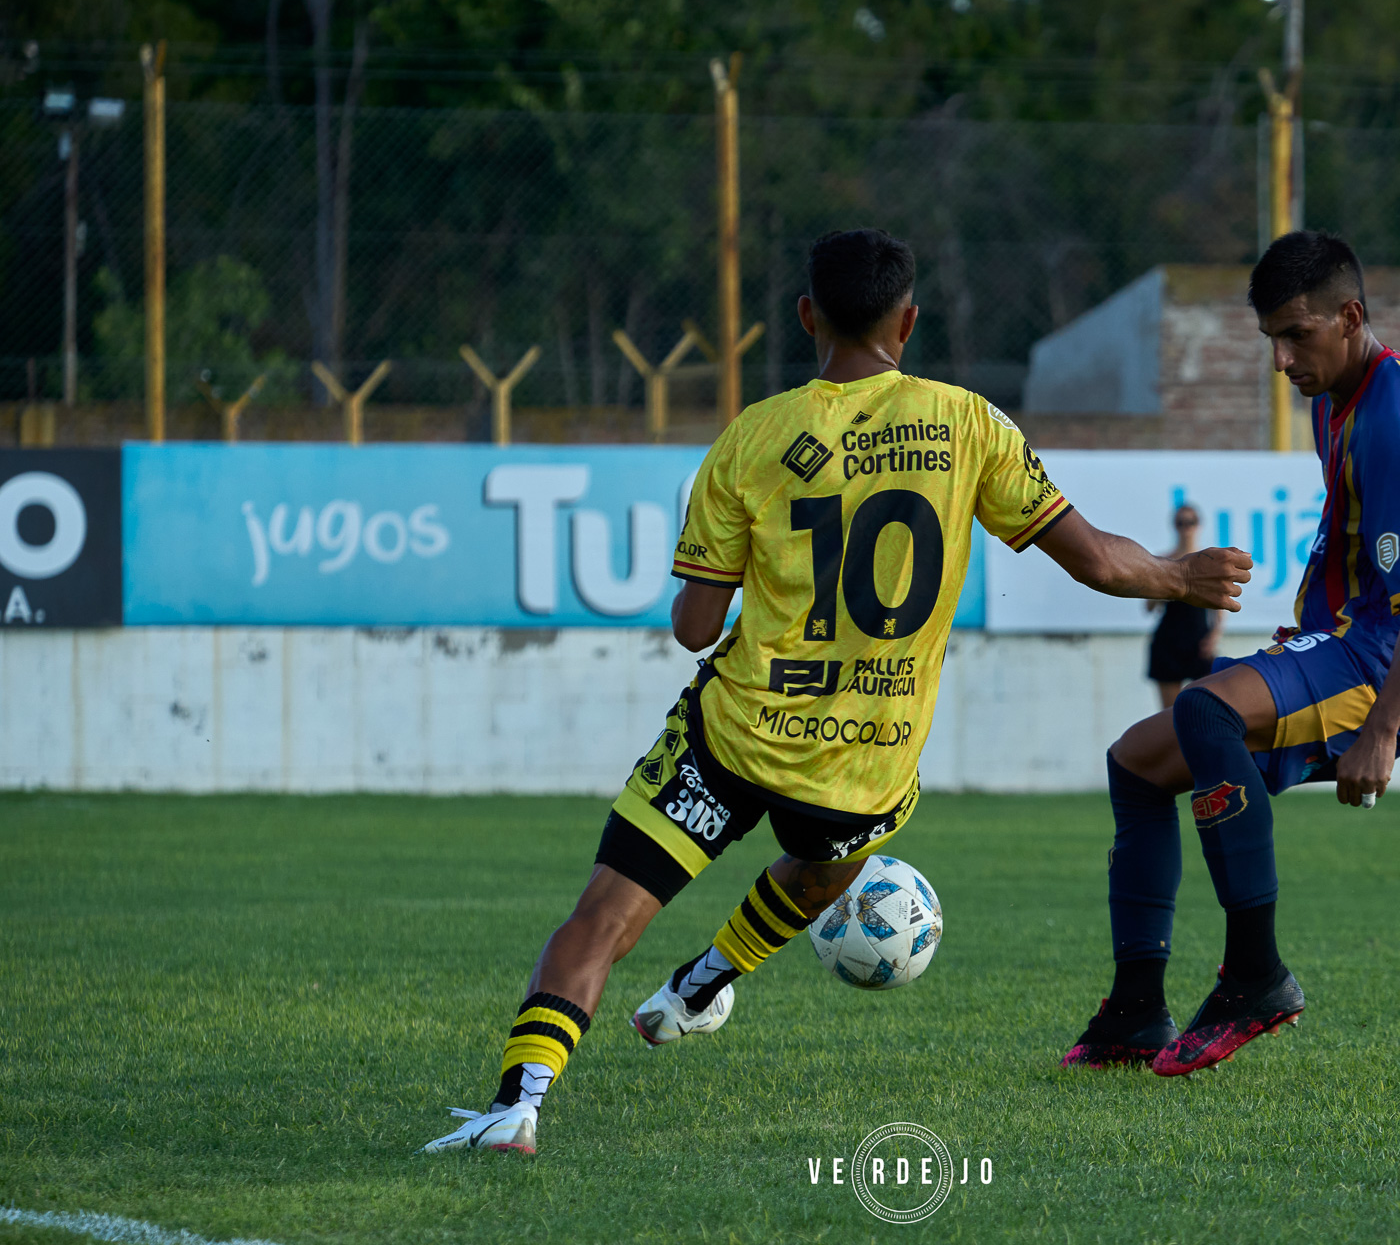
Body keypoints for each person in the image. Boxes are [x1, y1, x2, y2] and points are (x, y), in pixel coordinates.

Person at [422, 228, 1252, 1154]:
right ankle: (706, 979)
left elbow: (694, 629)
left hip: (735, 734)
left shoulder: (753, 438)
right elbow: (1097, 560)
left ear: (808, 316)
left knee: (605, 915)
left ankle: (521, 1103)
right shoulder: (968, 423)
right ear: (910, 319)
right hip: (864, 760)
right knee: (833, 865)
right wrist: (1182, 577)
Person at [1061, 230, 1400, 1076]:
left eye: (1298, 335)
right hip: (1354, 642)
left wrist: (1384, 729)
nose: (1283, 360)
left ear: (1350, 317)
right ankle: (1137, 1008)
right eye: (1272, 342)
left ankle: (1255, 975)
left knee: (1207, 709)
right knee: (1138, 764)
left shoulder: (1393, 418)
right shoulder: (1345, 396)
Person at [1146, 503, 1225, 710]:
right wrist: (1162, 583)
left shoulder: (1208, 562)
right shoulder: (1163, 561)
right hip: (1169, 640)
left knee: (1208, 709)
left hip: (1199, 642)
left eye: (1191, 522)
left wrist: (1214, 636)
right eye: (1181, 523)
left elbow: (1220, 607)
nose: (1186, 528)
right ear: (1174, 526)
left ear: (1199, 525)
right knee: (1169, 716)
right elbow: (1148, 607)